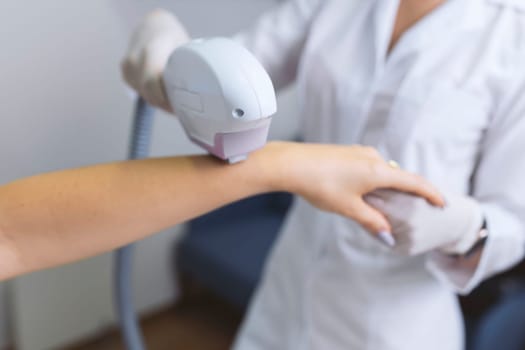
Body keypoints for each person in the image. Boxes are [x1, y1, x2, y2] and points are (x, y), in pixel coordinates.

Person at [122, 1, 525, 349]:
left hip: (393, 323)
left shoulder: (511, 34)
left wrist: (465, 227)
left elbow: (514, 220)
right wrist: (169, 70)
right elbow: (232, 86)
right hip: (286, 293)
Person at [0, 142, 441, 281]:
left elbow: (12, 237)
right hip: (293, 279)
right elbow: (12, 236)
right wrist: (284, 165)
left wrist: (464, 227)